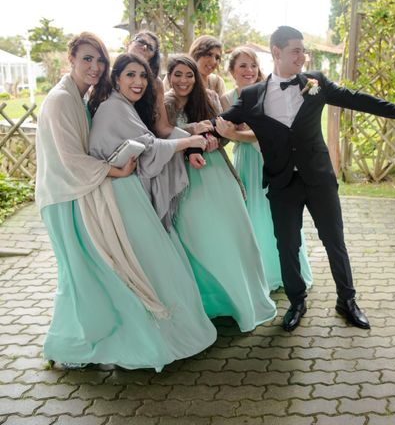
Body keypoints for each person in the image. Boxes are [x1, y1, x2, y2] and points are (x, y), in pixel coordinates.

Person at [213, 26, 395, 331]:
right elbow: (222, 122)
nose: (302, 56)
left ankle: (347, 301)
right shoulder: (251, 95)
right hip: (281, 182)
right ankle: (297, 301)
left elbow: (357, 99)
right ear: (276, 52)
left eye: (304, 51)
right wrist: (194, 133)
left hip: (319, 178)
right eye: (295, 50)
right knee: (285, 245)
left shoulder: (316, 83)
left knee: (334, 241)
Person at [36, 34, 216, 371]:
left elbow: (146, 140)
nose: (94, 66)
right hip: (64, 196)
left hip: (86, 189)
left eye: (100, 60)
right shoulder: (62, 99)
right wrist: (114, 171)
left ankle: (87, 338)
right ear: (71, 57)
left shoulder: (85, 97)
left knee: (93, 273)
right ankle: (72, 341)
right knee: (79, 274)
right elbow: (72, 159)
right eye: (87, 58)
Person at [164, 54, 277, 332]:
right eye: (177, 74)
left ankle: (241, 300)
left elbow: (226, 131)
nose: (183, 80)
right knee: (198, 238)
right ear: (169, 76)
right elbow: (162, 136)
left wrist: (217, 139)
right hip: (186, 177)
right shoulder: (164, 104)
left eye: (188, 75)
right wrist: (192, 133)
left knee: (233, 234)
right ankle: (207, 303)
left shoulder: (210, 98)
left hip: (217, 172)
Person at [219, 46, 313, 291]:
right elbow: (224, 132)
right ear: (231, 71)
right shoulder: (227, 99)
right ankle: (257, 273)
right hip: (244, 163)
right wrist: (234, 135)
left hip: (269, 160)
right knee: (250, 216)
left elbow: (274, 132)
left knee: (277, 215)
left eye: (253, 65)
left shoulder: (267, 93)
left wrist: (240, 134)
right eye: (242, 66)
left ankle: (285, 272)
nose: (249, 71)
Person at [127, 30, 173, 138]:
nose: (144, 47)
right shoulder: (109, 76)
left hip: (143, 142)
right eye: (140, 41)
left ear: (152, 57)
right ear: (129, 44)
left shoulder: (156, 84)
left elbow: (162, 128)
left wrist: (192, 131)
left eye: (150, 47)